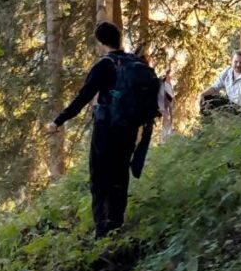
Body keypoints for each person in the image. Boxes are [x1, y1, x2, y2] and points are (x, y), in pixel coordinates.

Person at [45, 22, 157, 239]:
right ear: (119, 38)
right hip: (129, 129)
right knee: (120, 175)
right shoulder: (135, 62)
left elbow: (82, 98)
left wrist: (58, 121)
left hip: (106, 130)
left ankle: (102, 230)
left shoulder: (104, 65)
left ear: (100, 42)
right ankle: (116, 223)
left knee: (99, 178)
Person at [197, 50, 241, 115]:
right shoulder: (227, 72)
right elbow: (215, 87)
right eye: (236, 62)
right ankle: (206, 123)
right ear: (231, 61)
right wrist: (202, 94)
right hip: (230, 105)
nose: (238, 65)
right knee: (207, 98)